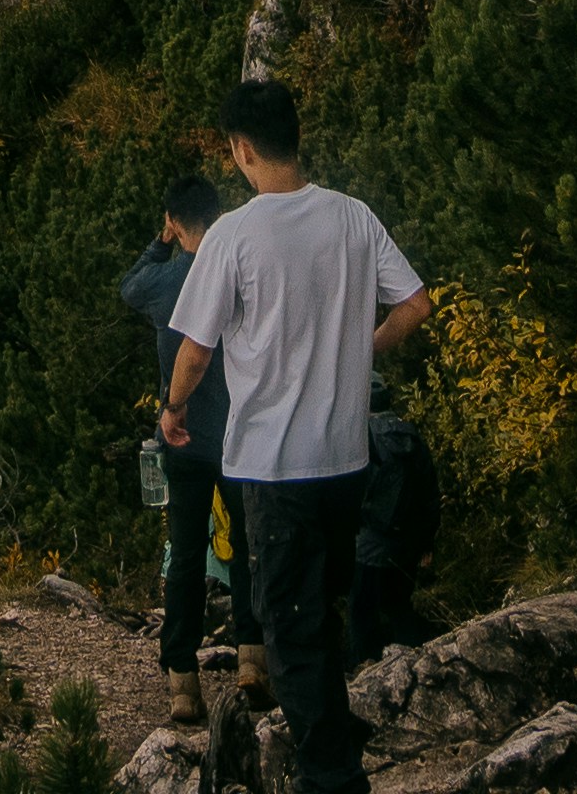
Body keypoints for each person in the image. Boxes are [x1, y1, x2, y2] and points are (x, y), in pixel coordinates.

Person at [153, 81, 427, 791]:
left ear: (242, 149)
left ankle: (332, 779)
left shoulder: (236, 236)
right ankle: (332, 749)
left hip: (274, 468)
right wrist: (363, 349)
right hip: (346, 460)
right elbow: (417, 302)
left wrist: (173, 409)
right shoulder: (354, 217)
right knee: (319, 616)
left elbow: (195, 349)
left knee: (292, 635)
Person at [117, 173, 230, 669]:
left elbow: (129, 287)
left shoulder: (164, 282)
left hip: (182, 435)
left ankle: (182, 674)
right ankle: (252, 658)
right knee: (247, 546)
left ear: (172, 220)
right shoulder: (236, 271)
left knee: (184, 555)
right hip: (241, 434)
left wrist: (160, 242)